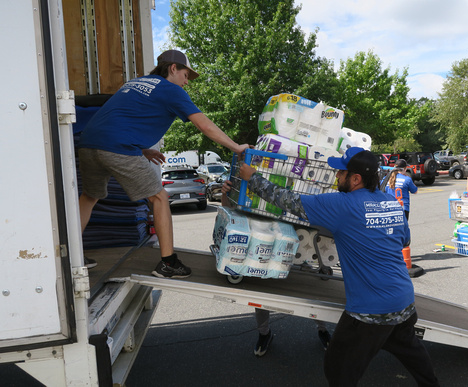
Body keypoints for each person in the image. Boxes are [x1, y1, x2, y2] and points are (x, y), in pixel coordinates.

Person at [238, 147, 439, 386]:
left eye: (340, 173)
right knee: (411, 352)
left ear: (355, 179)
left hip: (369, 313)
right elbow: (404, 240)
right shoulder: (390, 201)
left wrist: (252, 178)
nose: (336, 177)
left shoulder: (342, 204)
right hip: (404, 302)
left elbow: (287, 200)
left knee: (337, 370)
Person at [78, 49, 249, 277]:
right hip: (117, 148)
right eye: (186, 76)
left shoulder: (135, 83)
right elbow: (204, 125)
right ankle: (168, 263)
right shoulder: (170, 90)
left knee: (89, 197)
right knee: (159, 197)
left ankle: (74, 255)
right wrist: (237, 147)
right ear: (173, 69)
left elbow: (120, 118)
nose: (186, 82)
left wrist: (143, 149)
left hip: (88, 144)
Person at [220, 180, 332, 356]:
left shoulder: (284, 181)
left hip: (293, 242)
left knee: (311, 290)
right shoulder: (241, 180)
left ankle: (322, 329)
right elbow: (231, 212)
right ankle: (264, 334)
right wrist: (226, 193)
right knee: (262, 293)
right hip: (264, 243)